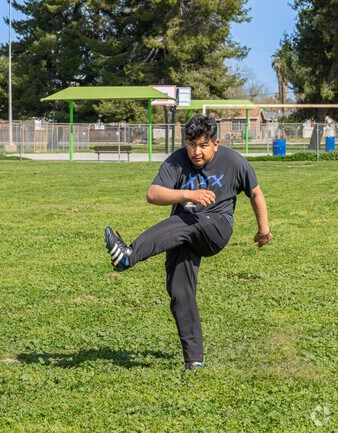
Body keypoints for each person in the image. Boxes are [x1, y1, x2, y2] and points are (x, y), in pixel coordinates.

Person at [104, 114, 273, 371]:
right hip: (182, 232)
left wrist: (264, 232)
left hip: (215, 228)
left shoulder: (234, 162)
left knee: (186, 220)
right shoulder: (177, 160)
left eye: (203, 145)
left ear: (215, 144)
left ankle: (129, 255)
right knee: (179, 291)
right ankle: (194, 359)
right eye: (191, 144)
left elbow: (256, 194)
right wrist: (187, 194)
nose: (196, 152)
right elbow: (153, 194)